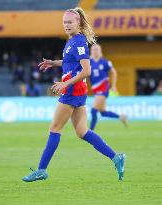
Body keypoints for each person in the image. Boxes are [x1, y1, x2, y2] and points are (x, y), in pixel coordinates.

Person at [22, 7, 125, 182]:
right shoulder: (73, 41)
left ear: (78, 23)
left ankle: (41, 170)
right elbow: (71, 62)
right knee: (82, 131)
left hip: (72, 91)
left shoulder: (79, 42)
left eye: (70, 22)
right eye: (65, 22)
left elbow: (87, 71)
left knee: (55, 129)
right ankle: (116, 157)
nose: (67, 25)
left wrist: (65, 84)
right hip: (78, 91)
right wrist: (54, 63)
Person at [89, 44, 127, 130]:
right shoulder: (89, 62)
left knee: (93, 110)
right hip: (95, 89)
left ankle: (90, 132)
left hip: (103, 88)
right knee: (103, 112)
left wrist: (113, 86)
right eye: (93, 49)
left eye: (97, 49)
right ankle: (121, 117)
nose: (95, 51)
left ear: (100, 51)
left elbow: (114, 72)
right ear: (91, 51)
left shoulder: (105, 62)